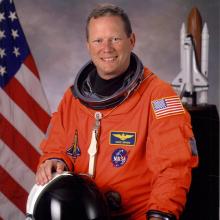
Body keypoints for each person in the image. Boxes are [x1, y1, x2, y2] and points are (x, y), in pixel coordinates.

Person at [35, 3, 198, 220]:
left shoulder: (160, 97)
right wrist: (54, 159)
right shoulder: (73, 98)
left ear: (131, 41)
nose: (107, 48)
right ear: (88, 46)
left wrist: (161, 214)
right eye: (98, 40)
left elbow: (173, 167)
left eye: (115, 39)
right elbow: (56, 145)